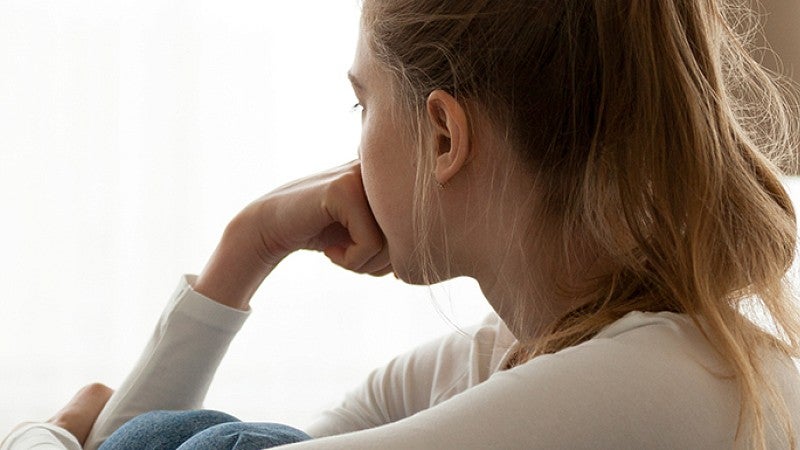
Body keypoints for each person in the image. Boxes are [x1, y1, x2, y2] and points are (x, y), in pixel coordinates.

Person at [4, 0, 800, 448]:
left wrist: (44, 439)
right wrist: (250, 243)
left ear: (445, 136)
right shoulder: (507, 356)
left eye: (363, 103)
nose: (351, 147)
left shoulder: (660, 383)